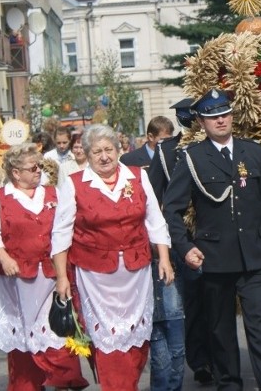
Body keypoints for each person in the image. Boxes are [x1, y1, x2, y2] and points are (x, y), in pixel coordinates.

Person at [162, 89, 261, 391]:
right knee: (220, 329)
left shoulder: (253, 151)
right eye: (212, 117)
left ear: (232, 115)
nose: (220, 120)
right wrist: (185, 247)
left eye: (224, 114)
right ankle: (230, 383)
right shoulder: (193, 158)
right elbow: (172, 209)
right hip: (215, 258)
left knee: (260, 323)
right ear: (201, 122)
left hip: (256, 255)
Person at [52, 124, 174, 390]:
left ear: (119, 150)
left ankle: (126, 383)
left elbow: (155, 220)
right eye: (97, 152)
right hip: (95, 277)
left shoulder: (137, 176)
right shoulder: (74, 184)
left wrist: (163, 257)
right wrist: (61, 277)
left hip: (136, 273)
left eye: (109, 149)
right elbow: (61, 233)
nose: (104, 156)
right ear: (87, 154)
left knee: (136, 338)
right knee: (106, 339)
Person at [0, 143, 89, 391]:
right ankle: (27, 384)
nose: (38, 171)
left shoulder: (54, 194)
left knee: (57, 328)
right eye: (32, 168)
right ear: (15, 172)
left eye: (40, 166)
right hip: (17, 279)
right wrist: (4, 258)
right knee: (22, 330)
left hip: (53, 275)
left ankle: (64, 379)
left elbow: (66, 228)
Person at [148, 98, 215, 385]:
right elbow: (154, 196)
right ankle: (200, 361)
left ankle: (218, 358)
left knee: (216, 303)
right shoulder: (166, 151)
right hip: (183, 239)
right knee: (194, 303)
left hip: (215, 236)